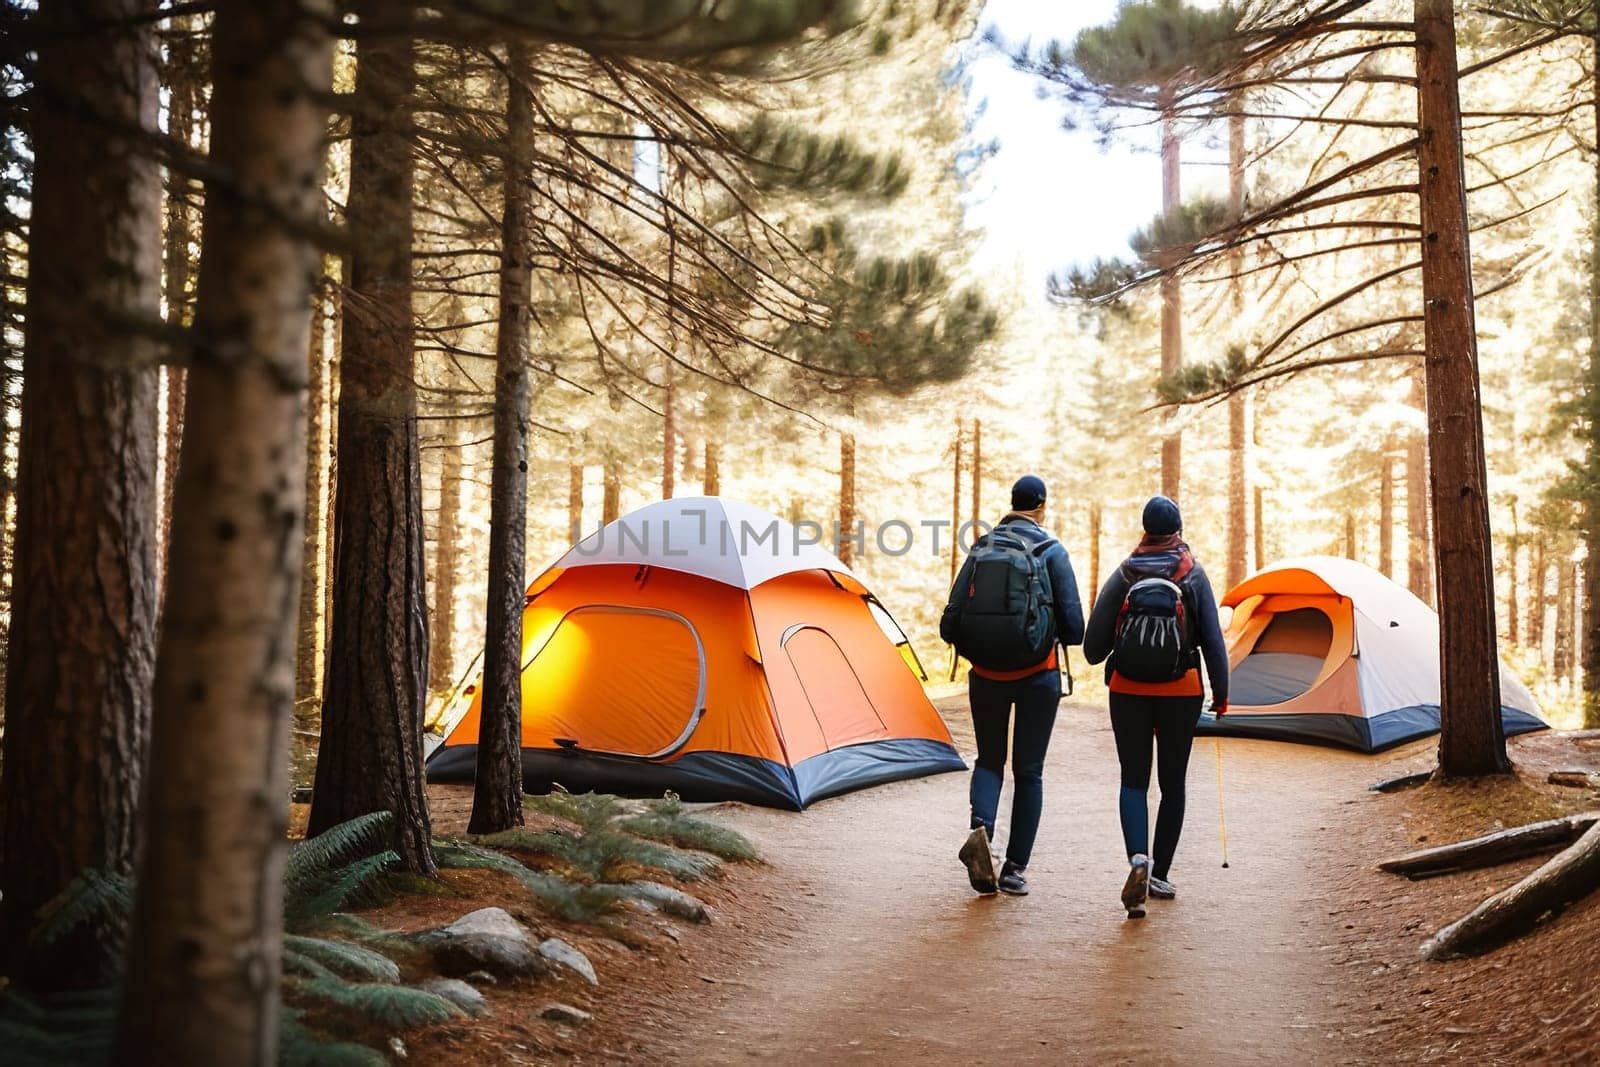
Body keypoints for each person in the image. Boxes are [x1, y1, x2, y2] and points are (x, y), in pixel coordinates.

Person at [1083, 495, 1228, 919]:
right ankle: (1160, 873)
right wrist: (1221, 694)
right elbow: (1214, 642)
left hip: (1127, 690)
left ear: (1145, 529)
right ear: (1178, 530)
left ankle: (1137, 860)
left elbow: (1093, 649)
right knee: (1172, 784)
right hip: (1181, 691)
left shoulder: (1125, 572)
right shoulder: (1192, 573)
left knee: (1133, 781)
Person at [941, 475, 1084, 897]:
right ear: (1042, 506)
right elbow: (1075, 629)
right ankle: (1015, 869)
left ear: (1012, 503)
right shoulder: (1051, 550)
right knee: (1029, 772)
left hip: (985, 675)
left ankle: (980, 832)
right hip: (1038, 675)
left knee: (989, 760)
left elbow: (950, 620)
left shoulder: (982, 547)